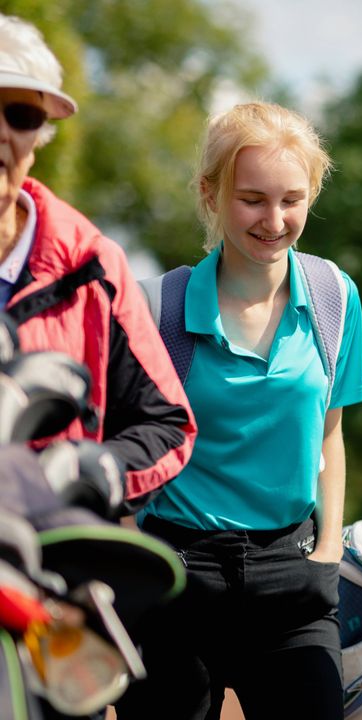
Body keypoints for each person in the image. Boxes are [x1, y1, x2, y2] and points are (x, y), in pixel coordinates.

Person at [114, 102, 362, 720]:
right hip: (176, 574)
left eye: (292, 199)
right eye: (252, 199)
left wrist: (329, 547)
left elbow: (330, 436)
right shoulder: (157, 309)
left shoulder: (336, 297)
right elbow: (123, 446)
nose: (274, 220)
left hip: (293, 577)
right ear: (211, 193)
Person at [0, 13, 195, 509]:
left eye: (20, 115)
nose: (2, 133)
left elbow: (166, 425)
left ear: (39, 136)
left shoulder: (93, 265)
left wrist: (80, 477)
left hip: (42, 565)